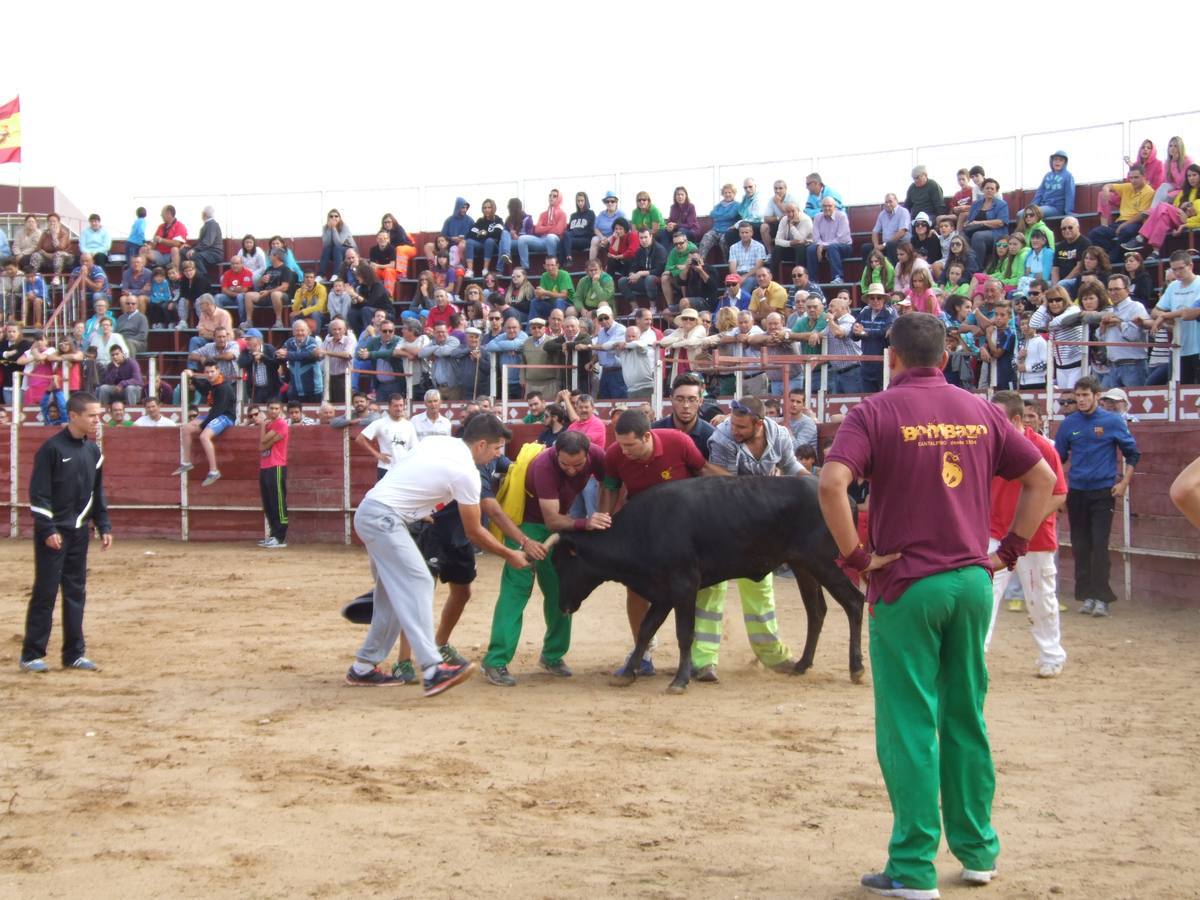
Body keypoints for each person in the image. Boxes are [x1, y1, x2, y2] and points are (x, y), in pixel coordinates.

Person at [818, 312, 1056, 899]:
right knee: (965, 716)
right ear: (945, 359)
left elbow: (830, 483)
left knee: (909, 724)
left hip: (907, 582)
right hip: (972, 581)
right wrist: (1014, 548)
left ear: (891, 358)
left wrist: (854, 557)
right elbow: (1043, 478)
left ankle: (913, 868)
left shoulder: (874, 412)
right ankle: (978, 852)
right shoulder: (981, 410)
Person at [348, 414, 529, 693]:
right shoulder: (466, 472)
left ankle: (363, 667)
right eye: (496, 449)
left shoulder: (437, 441)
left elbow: (409, 471)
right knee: (417, 581)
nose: (498, 455)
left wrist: (419, 509)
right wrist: (509, 554)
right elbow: (475, 532)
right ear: (481, 445)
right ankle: (432, 668)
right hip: (385, 519)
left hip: (373, 511)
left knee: (391, 597)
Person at [481, 430, 608, 687]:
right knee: (516, 591)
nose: (572, 471)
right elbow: (551, 519)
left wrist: (603, 513)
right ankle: (495, 660)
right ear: (556, 454)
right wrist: (586, 522)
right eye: (565, 465)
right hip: (527, 527)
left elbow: (612, 483)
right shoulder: (544, 465)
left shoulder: (596, 454)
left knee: (562, 590)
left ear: (587, 454)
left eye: (578, 465)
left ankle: (553, 655)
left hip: (562, 526)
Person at [688, 397, 801, 682]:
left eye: (741, 426)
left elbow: (791, 466)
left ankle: (772, 653)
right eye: (733, 424)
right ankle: (703, 660)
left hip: (760, 525)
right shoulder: (722, 438)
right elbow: (726, 485)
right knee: (711, 588)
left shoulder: (780, 436)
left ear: (759, 424)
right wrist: (769, 489)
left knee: (761, 586)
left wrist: (811, 483)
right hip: (722, 523)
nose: (734, 429)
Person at [601, 409, 720, 673]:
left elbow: (704, 472)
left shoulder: (678, 442)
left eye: (630, 445)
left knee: (698, 589)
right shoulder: (614, 454)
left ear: (647, 436)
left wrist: (743, 489)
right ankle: (643, 653)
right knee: (635, 588)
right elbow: (609, 488)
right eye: (620, 444)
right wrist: (604, 523)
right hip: (644, 532)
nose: (625, 451)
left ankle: (702, 658)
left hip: (687, 532)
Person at [19, 392, 112, 674]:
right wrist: (47, 528)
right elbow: (39, 494)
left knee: (75, 591)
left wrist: (104, 524)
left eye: (99, 415)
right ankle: (31, 654)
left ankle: (73, 654)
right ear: (74, 416)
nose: (98, 420)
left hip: (79, 531)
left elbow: (98, 492)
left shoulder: (93, 451)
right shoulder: (52, 449)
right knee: (46, 592)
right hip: (54, 533)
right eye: (93, 416)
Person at [984, 391, 1069, 677]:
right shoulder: (988, 446)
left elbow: (1058, 495)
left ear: (1016, 420)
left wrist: (1025, 524)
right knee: (984, 594)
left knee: (1040, 598)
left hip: (1034, 538)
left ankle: (1051, 654)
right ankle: (976, 653)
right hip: (996, 532)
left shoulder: (1042, 447)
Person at [1054, 375, 1140, 618]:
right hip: (1078, 491)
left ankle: (1102, 597)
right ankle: (1088, 596)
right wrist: (1059, 491)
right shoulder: (1069, 424)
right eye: (1077, 396)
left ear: (1096, 396)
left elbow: (1132, 454)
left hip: (1103, 491)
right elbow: (1058, 459)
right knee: (1081, 546)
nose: (1080, 400)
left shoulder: (1112, 421)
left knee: (1099, 544)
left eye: (1084, 395)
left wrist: (1124, 483)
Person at [172, 362, 236, 487]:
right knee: (186, 428)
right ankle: (186, 462)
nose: (210, 375)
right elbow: (203, 389)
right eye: (207, 372)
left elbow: (218, 410)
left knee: (204, 436)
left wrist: (202, 426)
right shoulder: (213, 384)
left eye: (212, 372)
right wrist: (192, 377)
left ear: (218, 371)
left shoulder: (224, 388)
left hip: (226, 416)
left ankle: (214, 470)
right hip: (214, 414)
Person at [1149, 250, 1200, 384]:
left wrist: (1165, 316)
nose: (1177, 273)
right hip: (1179, 348)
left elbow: (1191, 312)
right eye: (1174, 269)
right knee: (1178, 391)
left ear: (1190, 266)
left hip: (1197, 346)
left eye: (1181, 268)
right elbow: (1155, 311)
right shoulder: (1172, 286)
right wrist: (1164, 317)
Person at [1089, 165, 1154, 264]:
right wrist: (1106, 189)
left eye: (1136, 177)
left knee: (1126, 231)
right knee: (1095, 233)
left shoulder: (1148, 191)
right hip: (1119, 223)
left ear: (1144, 177)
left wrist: (1124, 224)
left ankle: (1111, 260)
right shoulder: (1128, 186)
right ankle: (1109, 257)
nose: (1133, 180)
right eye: (1131, 178)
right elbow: (1109, 186)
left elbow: (1142, 215)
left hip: (1137, 224)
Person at [252, 399, 290, 549]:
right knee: (268, 502)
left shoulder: (281, 424)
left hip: (277, 465)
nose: (273, 411)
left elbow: (262, 443)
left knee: (278, 502)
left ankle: (280, 536)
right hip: (266, 465)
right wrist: (264, 428)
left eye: (276, 409)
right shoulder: (270, 425)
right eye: (271, 408)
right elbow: (262, 446)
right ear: (267, 409)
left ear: (280, 410)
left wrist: (262, 426)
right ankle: (274, 534)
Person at [356, 393, 417, 480]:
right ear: (389, 406)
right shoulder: (380, 423)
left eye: (401, 405)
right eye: (395, 406)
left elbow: (414, 448)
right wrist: (377, 454)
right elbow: (360, 439)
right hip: (386, 468)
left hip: (404, 468)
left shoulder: (409, 425)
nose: (399, 409)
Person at [807, 197, 853, 284]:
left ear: (834, 207)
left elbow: (841, 238)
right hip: (824, 248)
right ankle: (813, 280)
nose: (827, 208)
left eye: (829, 206)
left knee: (832, 247)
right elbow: (816, 238)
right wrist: (822, 246)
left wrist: (823, 246)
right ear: (821, 207)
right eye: (824, 206)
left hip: (844, 247)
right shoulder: (817, 217)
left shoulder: (842, 216)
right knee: (810, 249)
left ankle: (838, 277)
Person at [1031, 150, 1076, 217]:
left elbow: (1069, 194)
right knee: (1021, 214)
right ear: (1051, 161)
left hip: (1056, 208)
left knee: (1032, 213)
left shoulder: (1068, 176)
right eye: (1055, 159)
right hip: (1043, 206)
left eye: (1061, 160)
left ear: (1065, 163)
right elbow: (1039, 193)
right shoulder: (1047, 175)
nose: (1057, 161)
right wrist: (1032, 207)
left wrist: (1068, 211)